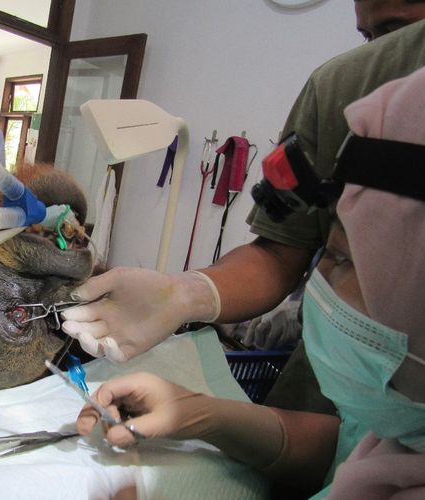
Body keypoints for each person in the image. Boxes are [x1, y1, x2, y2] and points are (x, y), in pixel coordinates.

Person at [75, 65, 425, 498]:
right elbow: (344, 451)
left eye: (341, 259)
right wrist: (204, 415)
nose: (317, 281)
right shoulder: (404, 424)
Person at [61, 1, 425, 412]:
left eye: (398, 30)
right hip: (324, 400)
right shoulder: (339, 86)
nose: (381, 55)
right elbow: (277, 254)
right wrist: (183, 294)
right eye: (368, 37)